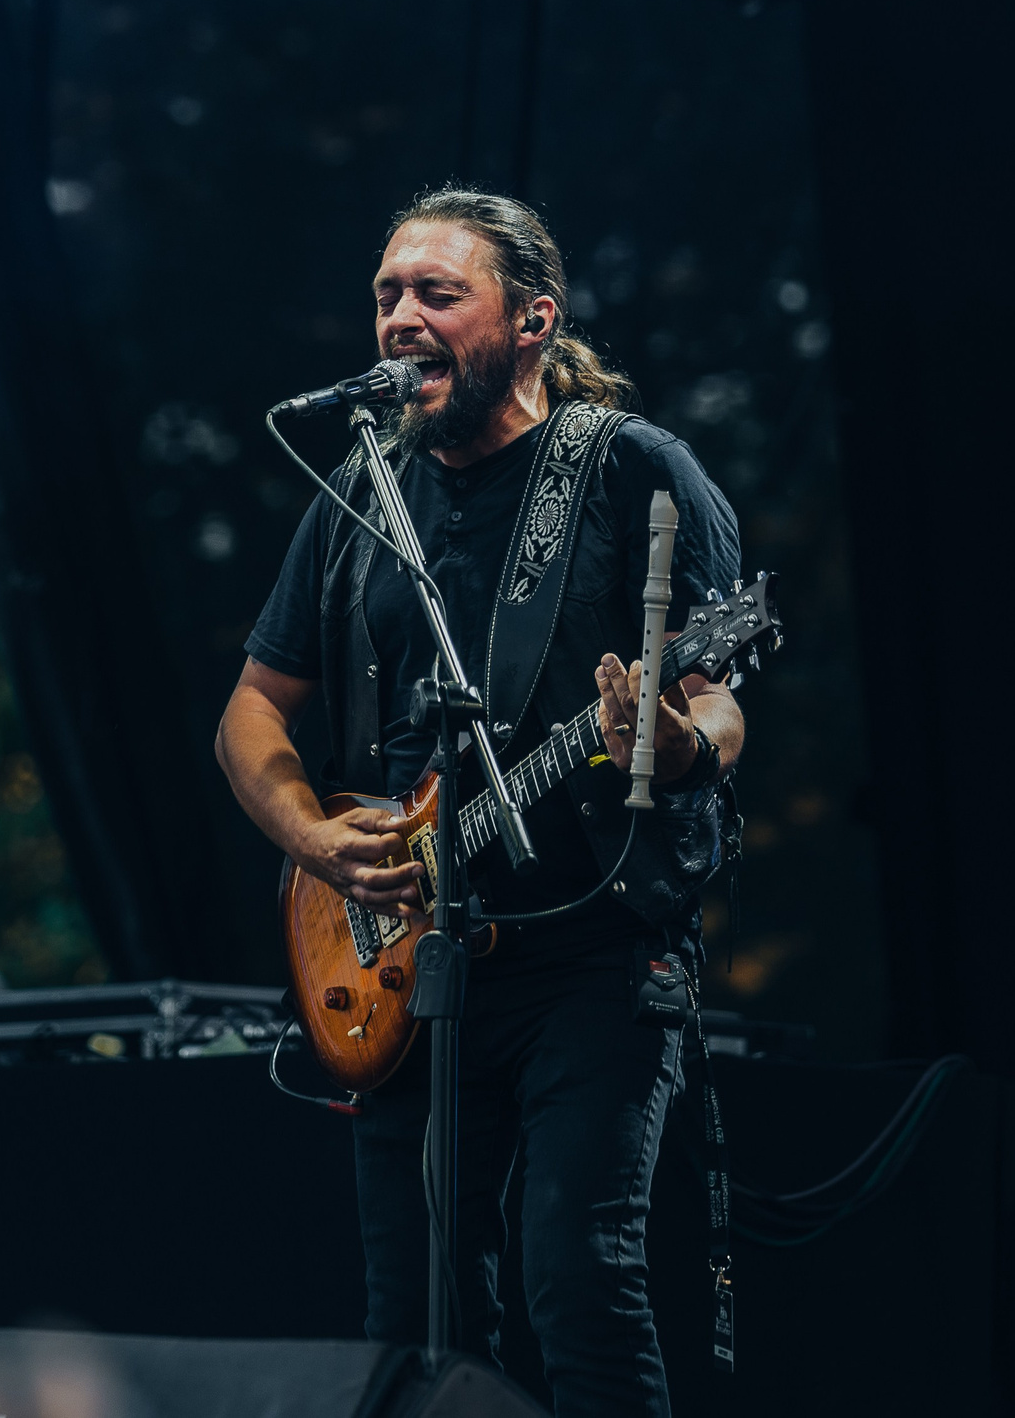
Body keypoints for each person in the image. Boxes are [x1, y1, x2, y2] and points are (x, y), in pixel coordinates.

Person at [216, 187, 746, 1417]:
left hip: (592, 959)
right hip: (412, 964)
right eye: (386, 294)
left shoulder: (628, 469)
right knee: (416, 1316)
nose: (400, 316)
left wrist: (677, 747)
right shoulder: (362, 490)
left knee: (578, 1277)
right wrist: (311, 836)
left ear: (530, 320)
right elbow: (252, 710)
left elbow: (718, 697)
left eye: (435, 292)